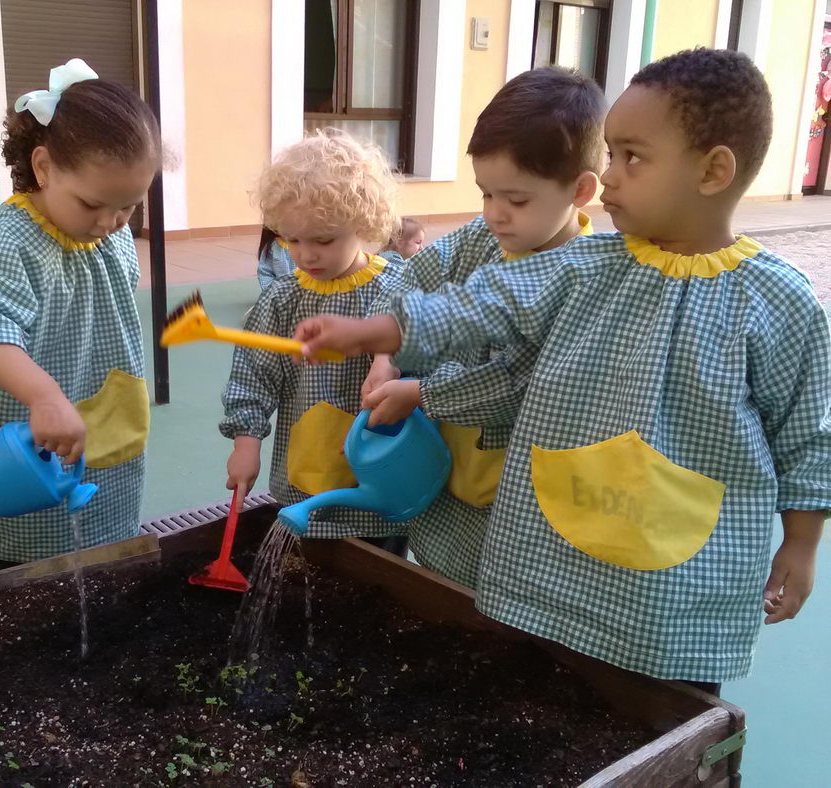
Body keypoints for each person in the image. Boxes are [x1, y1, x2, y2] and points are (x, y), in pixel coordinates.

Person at [295, 49, 830, 690]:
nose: (607, 176)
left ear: (713, 171)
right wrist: (373, 332)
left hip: (680, 573)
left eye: (632, 157)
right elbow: (486, 302)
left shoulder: (778, 300)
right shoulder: (590, 263)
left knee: (659, 696)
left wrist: (801, 544)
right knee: (544, 681)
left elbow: (807, 432)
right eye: (609, 153)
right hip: (563, 544)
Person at [359, 67, 604, 587]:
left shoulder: (587, 276)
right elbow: (405, 281)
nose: (495, 214)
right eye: (485, 193)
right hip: (451, 475)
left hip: (523, 494)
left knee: (505, 603)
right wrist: (387, 356)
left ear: (580, 190)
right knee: (441, 586)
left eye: (516, 200)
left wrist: (421, 392)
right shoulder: (479, 240)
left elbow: (520, 383)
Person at [0, 59, 158, 570]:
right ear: (43, 168)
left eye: (129, 206)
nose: (110, 222)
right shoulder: (7, 242)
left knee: (103, 545)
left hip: (102, 419)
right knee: (28, 567)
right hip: (27, 436)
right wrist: (45, 396)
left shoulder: (111, 233)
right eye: (92, 204)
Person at [221, 129, 403, 547]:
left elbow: (427, 352)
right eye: (292, 240)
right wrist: (246, 442)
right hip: (303, 483)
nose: (305, 255)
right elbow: (252, 376)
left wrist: (387, 356)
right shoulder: (283, 300)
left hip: (379, 488)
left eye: (322, 240)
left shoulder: (397, 288)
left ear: (364, 221)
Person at [256, 226, 295, 291]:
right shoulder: (273, 247)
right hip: (279, 293)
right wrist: (273, 291)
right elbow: (264, 273)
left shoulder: (306, 245)